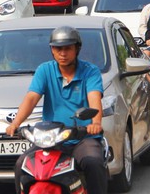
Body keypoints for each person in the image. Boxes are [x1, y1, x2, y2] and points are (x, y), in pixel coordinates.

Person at [6, 26, 107, 194]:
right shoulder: (45, 70)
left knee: (93, 162)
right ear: (52, 50)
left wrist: (95, 123)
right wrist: (16, 124)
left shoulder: (90, 72)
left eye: (67, 48)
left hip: (82, 137)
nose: (63, 53)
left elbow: (94, 99)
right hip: (50, 140)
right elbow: (31, 98)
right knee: (21, 164)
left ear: (77, 48)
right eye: (58, 48)